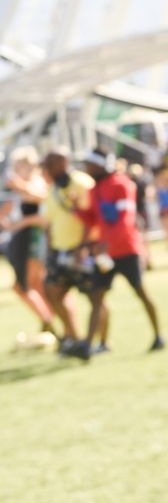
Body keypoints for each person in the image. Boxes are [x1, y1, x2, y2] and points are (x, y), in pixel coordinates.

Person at [76, 150, 165, 359]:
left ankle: (158, 335)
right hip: (106, 254)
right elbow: (94, 219)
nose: (86, 169)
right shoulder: (95, 189)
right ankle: (88, 346)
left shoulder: (122, 185)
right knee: (97, 296)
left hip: (126, 251)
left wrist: (106, 244)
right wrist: (75, 209)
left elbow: (125, 220)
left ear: (100, 165)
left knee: (141, 293)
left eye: (89, 164)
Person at [40, 149, 108, 356]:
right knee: (52, 291)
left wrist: (87, 245)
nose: (47, 169)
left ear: (63, 162)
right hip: (60, 251)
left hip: (83, 250)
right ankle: (74, 337)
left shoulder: (82, 183)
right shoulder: (52, 190)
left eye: (50, 164)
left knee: (95, 297)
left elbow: (93, 216)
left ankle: (103, 341)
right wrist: (50, 250)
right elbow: (49, 223)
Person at [0, 144, 58, 343]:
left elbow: (43, 203)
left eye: (19, 164)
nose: (15, 168)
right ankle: (49, 321)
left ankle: (50, 321)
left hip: (33, 239)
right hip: (26, 238)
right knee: (32, 285)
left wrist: (19, 187)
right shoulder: (23, 185)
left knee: (26, 285)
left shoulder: (36, 181)